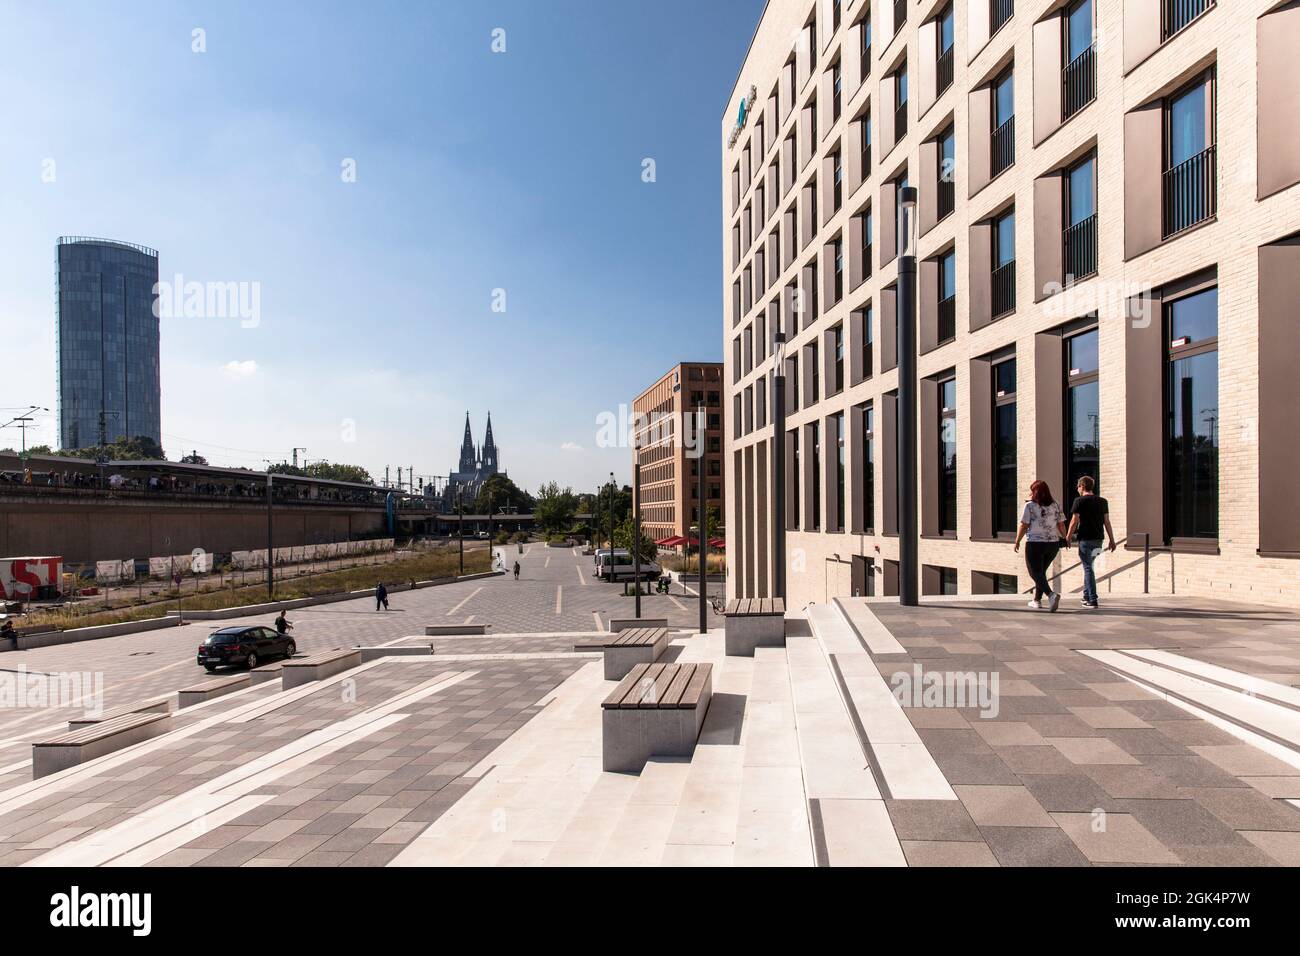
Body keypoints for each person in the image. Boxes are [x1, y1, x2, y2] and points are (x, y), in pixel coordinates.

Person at [1013, 479, 1067, 612]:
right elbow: (1061, 524)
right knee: (1041, 572)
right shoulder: (1056, 504)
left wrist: (1017, 540)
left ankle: (1051, 595)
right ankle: (1036, 600)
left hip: (1035, 544)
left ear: (1035, 492)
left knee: (1034, 572)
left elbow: (1024, 525)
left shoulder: (1030, 506)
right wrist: (1065, 538)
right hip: (1053, 544)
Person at [1066, 475, 1117, 609]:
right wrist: (1112, 540)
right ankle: (1086, 596)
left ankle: (1093, 599)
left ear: (1082, 486)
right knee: (1089, 568)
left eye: (1078, 486)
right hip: (1098, 540)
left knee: (1088, 568)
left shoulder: (1079, 501)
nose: (1077, 489)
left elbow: (1074, 521)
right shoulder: (1102, 501)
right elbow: (1107, 522)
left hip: (1085, 540)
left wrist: (1068, 537)